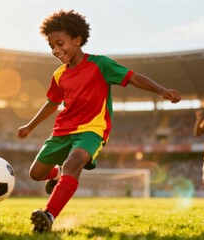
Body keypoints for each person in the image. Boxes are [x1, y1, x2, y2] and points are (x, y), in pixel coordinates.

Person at [17, 10, 181, 232]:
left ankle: (49, 215)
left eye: (60, 43)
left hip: (92, 131)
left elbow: (133, 78)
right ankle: (55, 175)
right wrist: (30, 125)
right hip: (61, 131)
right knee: (35, 174)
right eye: (51, 46)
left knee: (73, 164)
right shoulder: (58, 75)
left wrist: (161, 90)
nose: (56, 50)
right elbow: (52, 104)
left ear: (77, 39)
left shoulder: (100, 64)